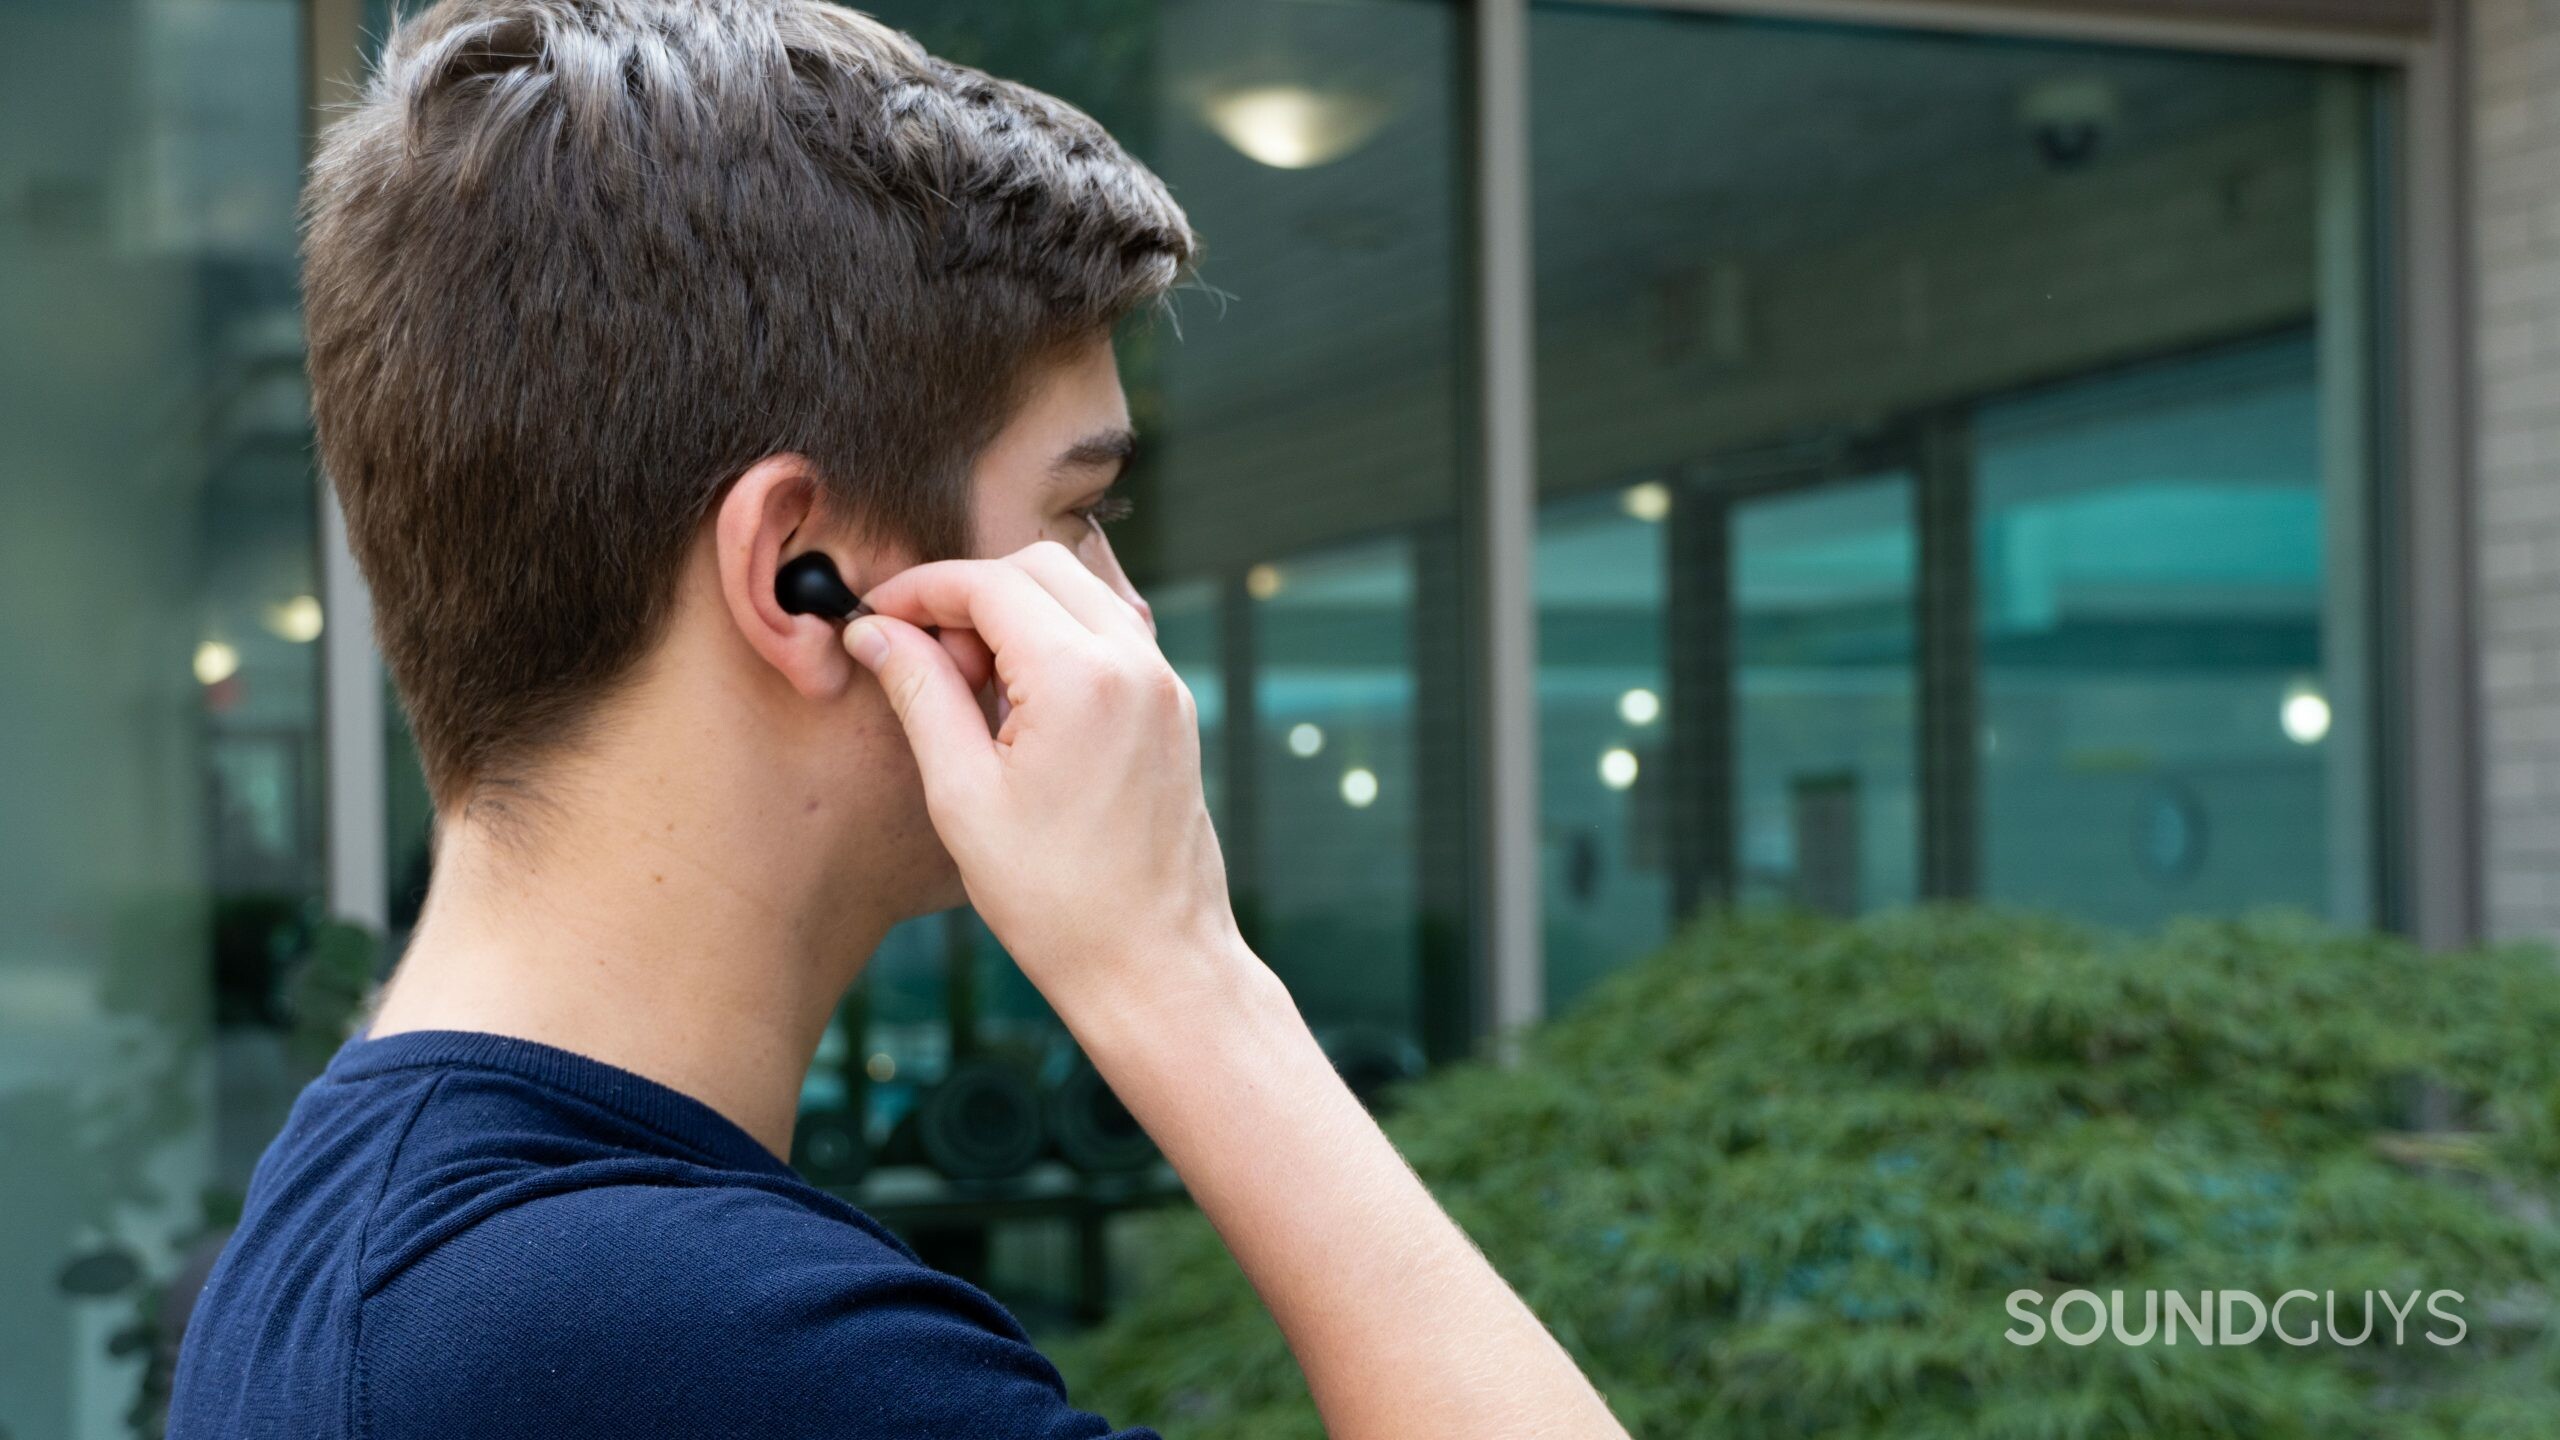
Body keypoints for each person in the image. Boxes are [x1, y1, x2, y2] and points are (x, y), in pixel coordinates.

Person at [167, 3, 1627, 1438]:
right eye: (1081, 511)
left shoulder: (356, 1204)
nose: (1126, 621)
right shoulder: (671, 1337)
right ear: (804, 586)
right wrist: (1183, 974)